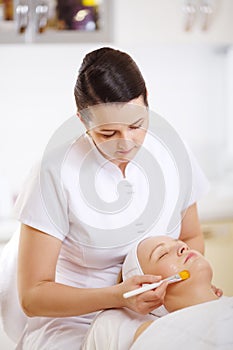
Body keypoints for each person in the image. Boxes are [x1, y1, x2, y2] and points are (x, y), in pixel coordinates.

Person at [13, 47, 212, 349]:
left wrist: (177, 292)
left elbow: (192, 235)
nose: (125, 143)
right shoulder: (54, 171)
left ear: (147, 100)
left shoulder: (172, 151)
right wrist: (118, 297)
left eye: (136, 125)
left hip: (158, 311)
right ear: (83, 120)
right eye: (107, 133)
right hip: (74, 321)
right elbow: (33, 297)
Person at [82, 236, 232, 350]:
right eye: (162, 254)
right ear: (149, 290)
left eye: (179, 243)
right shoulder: (156, 333)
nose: (182, 246)